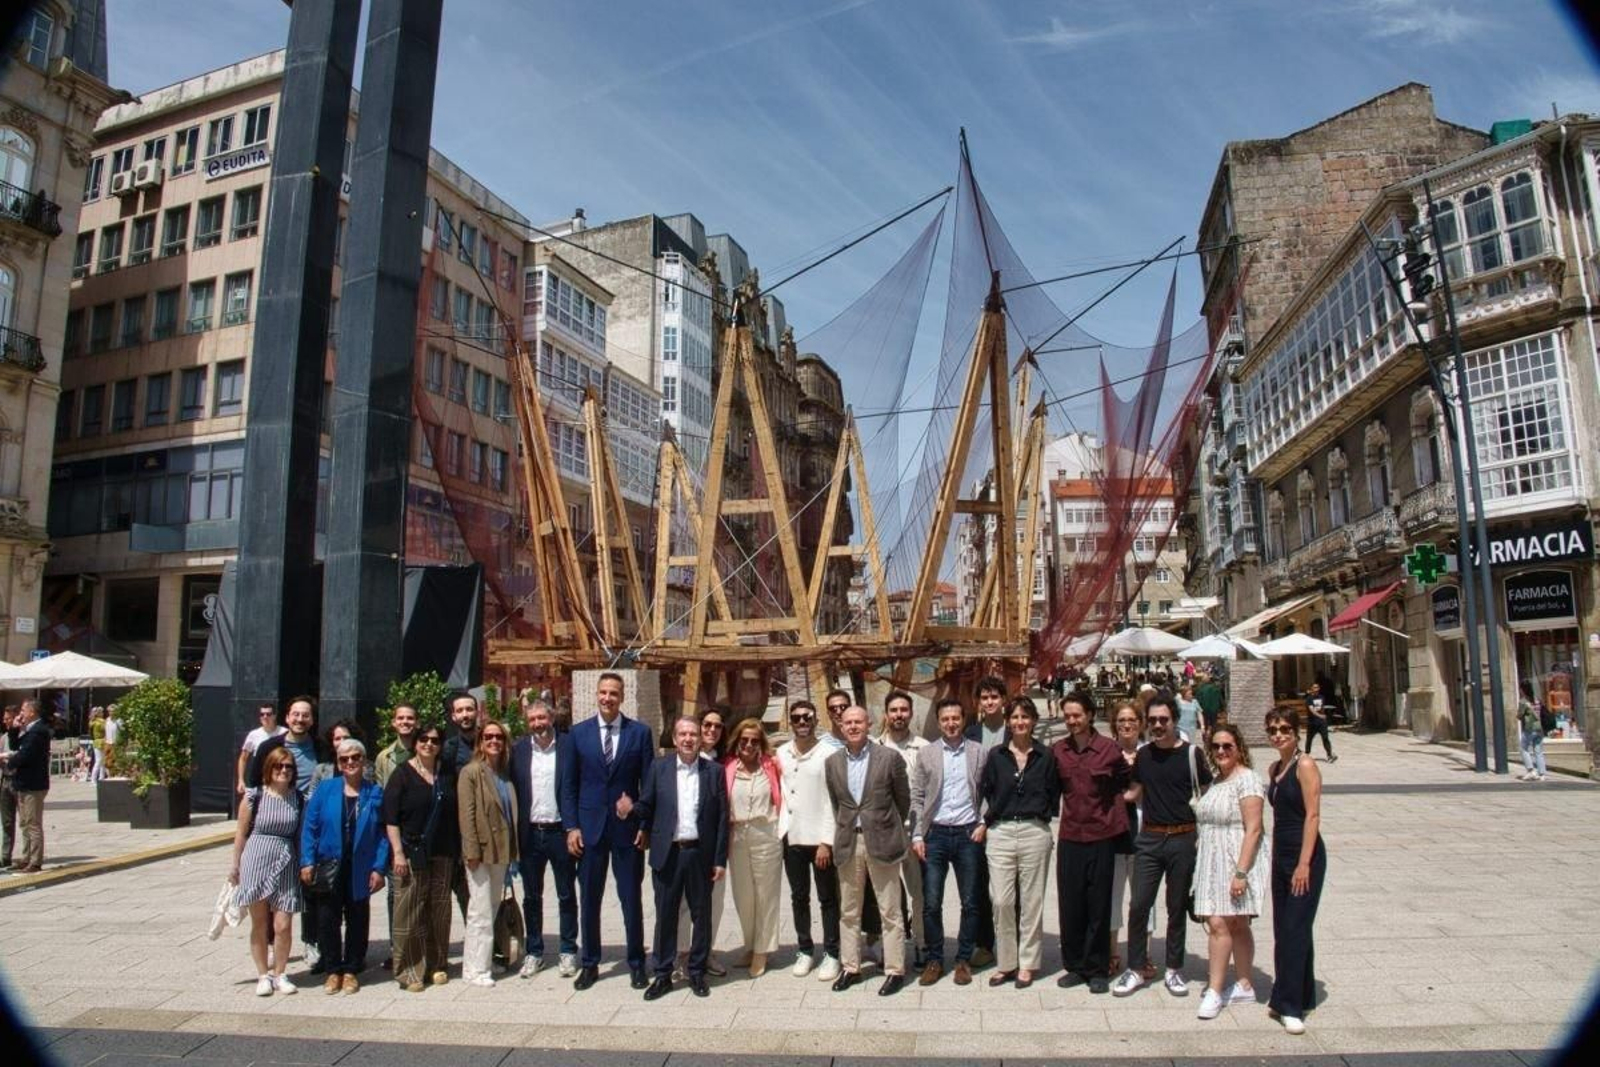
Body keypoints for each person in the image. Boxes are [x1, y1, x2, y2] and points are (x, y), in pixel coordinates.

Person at [1113, 694, 1211, 998]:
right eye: (1152, 720)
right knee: (1139, 904)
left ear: (1174, 719)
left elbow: (1207, 794)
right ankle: (1137, 967)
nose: (1157, 725)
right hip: (1150, 838)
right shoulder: (1144, 756)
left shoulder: (1193, 755)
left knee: (1176, 907)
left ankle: (1173, 969)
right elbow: (1132, 794)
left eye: (1163, 720)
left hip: (1183, 837)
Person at [560, 671, 653, 991]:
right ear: (596, 695)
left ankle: (637, 963)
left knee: (631, 899)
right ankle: (590, 963)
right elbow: (568, 786)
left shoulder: (639, 734)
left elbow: (648, 786)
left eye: (614, 693)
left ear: (622, 697)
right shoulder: (578, 734)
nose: (607, 698)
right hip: (589, 830)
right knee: (590, 899)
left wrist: (644, 824)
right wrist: (571, 826)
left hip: (627, 831)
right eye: (603, 692)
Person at [637, 716, 728, 999]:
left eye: (692, 734)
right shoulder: (659, 768)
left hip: (700, 853)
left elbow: (723, 818)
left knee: (702, 915)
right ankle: (663, 973)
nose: (688, 739)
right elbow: (647, 805)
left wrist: (719, 859)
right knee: (665, 914)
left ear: (699, 739)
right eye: (682, 734)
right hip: (669, 853)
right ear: (674, 739)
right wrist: (633, 813)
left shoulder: (713, 771)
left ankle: (697, 971)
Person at [825, 705, 911, 996]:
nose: (852, 727)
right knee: (849, 911)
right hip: (850, 842)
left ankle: (895, 970)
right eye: (847, 722)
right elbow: (839, 805)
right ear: (840, 725)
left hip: (882, 840)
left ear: (870, 724)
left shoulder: (889, 758)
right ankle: (851, 967)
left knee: (890, 910)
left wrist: (883, 825)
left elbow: (903, 800)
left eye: (858, 722)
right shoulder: (833, 762)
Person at [977, 696, 1059, 989]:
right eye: (1015, 717)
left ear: (1034, 720)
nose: (1020, 722)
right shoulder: (997, 755)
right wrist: (988, 823)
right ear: (1008, 721)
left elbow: (1054, 793)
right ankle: (1006, 962)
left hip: (1034, 831)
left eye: (1025, 717)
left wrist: (1041, 815)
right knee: (1001, 900)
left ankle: (1027, 963)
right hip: (1000, 832)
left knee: (1032, 900)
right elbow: (987, 790)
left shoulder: (1046, 756)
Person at [1053, 691, 1130, 995]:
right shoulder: (1058, 750)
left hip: (1101, 836)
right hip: (1070, 835)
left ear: (1089, 715)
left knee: (1099, 904)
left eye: (1077, 715)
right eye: (1068, 716)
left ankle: (1098, 968)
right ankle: (1075, 966)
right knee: (1070, 904)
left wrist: (1120, 809)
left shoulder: (1109, 750)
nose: (1072, 721)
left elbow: (1127, 780)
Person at [299, 738, 389, 994]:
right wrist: (307, 860)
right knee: (327, 919)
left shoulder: (374, 792)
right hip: (329, 864)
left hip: (360, 864)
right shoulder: (326, 789)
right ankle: (332, 969)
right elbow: (310, 827)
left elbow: (383, 834)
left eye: (355, 758)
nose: (350, 763)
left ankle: (351, 968)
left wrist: (379, 867)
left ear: (363, 761)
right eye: (344, 759)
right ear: (338, 763)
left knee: (358, 917)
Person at [1193, 724, 1268, 1021]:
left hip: (1236, 859)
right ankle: (1245, 984)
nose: (1221, 751)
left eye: (1228, 746)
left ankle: (1214, 989)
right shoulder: (1216, 781)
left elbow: (1254, 828)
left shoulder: (1247, 780)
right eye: (1216, 747)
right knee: (1232, 924)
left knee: (1222, 923)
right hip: (1212, 860)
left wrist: (1241, 871)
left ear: (1240, 748)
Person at [909, 697, 985, 986]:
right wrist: (917, 834)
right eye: (945, 719)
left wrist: (983, 821)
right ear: (938, 722)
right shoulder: (927, 753)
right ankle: (935, 959)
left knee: (970, 901)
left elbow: (987, 790)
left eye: (955, 718)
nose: (951, 724)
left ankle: (963, 959)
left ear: (963, 719)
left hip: (968, 833)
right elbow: (917, 795)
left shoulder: (978, 752)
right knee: (931, 902)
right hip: (936, 835)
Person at [382, 723, 458, 992]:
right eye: (423, 739)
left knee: (439, 911)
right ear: (415, 743)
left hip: (443, 852)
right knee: (409, 913)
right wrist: (398, 853)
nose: (429, 744)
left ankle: (437, 964)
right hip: (412, 853)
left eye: (435, 741)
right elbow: (390, 818)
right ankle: (409, 971)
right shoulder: (402, 774)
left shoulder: (447, 774)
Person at [1265, 708, 1326, 1036]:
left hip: (1307, 854)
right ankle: (1301, 994)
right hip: (1281, 855)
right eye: (1273, 729)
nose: (1278, 735)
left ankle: (1288, 1006)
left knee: (1295, 927)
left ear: (1297, 731)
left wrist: (1304, 863)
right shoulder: (1275, 767)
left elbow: (1313, 815)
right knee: (1285, 927)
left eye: (1285, 728)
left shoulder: (1305, 764)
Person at [509, 696, 578, 978]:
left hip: (559, 832)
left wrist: (575, 827)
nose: (538, 724)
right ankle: (534, 951)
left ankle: (568, 951)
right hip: (530, 833)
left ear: (551, 718)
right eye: (532, 719)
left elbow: (576, 787)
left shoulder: (568, 746)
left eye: (542, 718)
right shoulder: (519, 750)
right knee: (531, 896)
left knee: (566, 894)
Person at [229, 746, 304, 996]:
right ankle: (263, 974)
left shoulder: (300, 798)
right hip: (257, 856)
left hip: (286, 858)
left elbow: (301, 834)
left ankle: (281, 973)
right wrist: (235, 865)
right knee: (259, 922)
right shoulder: (254, 796)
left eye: (288, 766)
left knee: (283, 924)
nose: (283, 770)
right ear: (269, 769)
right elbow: (240, 833)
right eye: (278, 766)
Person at [777, 699, 842, 982]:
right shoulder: (782, 753)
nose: (802, 722)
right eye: (796, 718)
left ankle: (832, 952)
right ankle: (805, 948)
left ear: (816, 721)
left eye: (807, 717)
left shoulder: (829, 753)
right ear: (790, 722)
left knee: (828, 898)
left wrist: (827, 841)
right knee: (798, 897)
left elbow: (833, 800)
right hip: (792, 837)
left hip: (820, 839)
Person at [457, 721, 517, 987]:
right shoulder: (471, 773)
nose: (494, 741)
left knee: (491, 907)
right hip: (479, 851)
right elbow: (466, 815)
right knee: (479, 909)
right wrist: (470, 850)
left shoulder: (503, 774)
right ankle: (473, 970)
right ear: (480, 742)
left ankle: (482, 960)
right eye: (489, 737)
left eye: (499, 737)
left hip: (500, 850)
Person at [722, 718, 783, 977]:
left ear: (761, 743)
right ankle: (750, 943)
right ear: (737, 741)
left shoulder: (771, 766)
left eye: (754, 741)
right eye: (744, 740)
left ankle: (762, 950)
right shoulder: (728, 767)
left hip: (765, 832)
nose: (748, 745)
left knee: (765, 895)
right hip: (737, 834)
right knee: (743, 895)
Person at [875, 689, 928, 970]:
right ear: (886, 714)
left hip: (914, 832)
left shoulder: (923, 747)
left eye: (903, 710)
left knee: (918, 893)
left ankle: (920, 943)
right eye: (893, 710)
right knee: (889, 896)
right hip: (884, 833)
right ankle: (892, 948)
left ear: (911, 713)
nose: (898, 715)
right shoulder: (875, 747)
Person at [962, 675, 1010, 969]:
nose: (990, 702)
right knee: (978, 885)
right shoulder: (972, 733)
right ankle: (984, 942)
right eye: (984, 698)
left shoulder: (1015, 729)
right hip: (976, 819)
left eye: (994, 697)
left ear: (1003, 699)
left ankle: (1009, 943)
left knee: (1007, 889)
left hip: (1006, 819)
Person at [678, 707, 729, 978]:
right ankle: (685, 952)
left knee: (715, 902)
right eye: (706, 725)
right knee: (687, 903)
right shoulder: (684, 759)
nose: (711, 730)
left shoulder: (726, 762)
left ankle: (705, 950)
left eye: (717, 726)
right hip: (689, 844)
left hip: (716, 845)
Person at [1108, 700, 1148, 979]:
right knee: (1112, 897)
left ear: (1140, 723)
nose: (1126, 724)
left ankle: (1141, 954)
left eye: (1132, 719)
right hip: (1113, 835)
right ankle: (1112, 952)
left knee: (1143, 899)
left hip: (1147, 834)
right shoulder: (1107, 753)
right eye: (1121, 720)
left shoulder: (1150, 754)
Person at [0, 700, 50, 873]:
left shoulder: (38, 731)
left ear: (32, 712)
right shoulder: (29, 730)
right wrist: (14, 729)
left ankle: (35, 861)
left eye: (23, 710)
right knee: (25, 823)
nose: (20, 714)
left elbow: (25, 755)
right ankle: (26, 857)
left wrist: (8, 760)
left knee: (33, 823)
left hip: (33, 784)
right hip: (23, 782)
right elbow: (15, 745)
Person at [237, 704, 285, 797]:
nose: (265, 717)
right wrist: (241, 780)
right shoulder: (254, 734)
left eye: (268, 714)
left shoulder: (284, 732)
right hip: (259, 777)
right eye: (262, 714)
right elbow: (243, 758)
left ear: (274, 716)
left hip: (279, 776)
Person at [374, 704, 420, 787]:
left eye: (410, 718)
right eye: (400, 718)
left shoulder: (427, 754)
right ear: (394, 723)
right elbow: (380, 789)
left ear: (417, 723)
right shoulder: (383, 757)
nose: (405, 721)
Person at [1516, 680, 1548, 782]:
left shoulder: (1523, 701)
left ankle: (1530, 770)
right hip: (1540, 728)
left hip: (1530, 728)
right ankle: (1542, 774)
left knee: (1523, 748)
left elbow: (1519, 715)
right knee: (1538, 751)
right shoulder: (1537, 699)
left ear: (1522, 690)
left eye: (1520, 689)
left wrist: (1520, 715)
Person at [0, 706, 18, 869]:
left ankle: (29, 857)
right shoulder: (4, 738)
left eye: (8, 719)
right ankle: (5, 856)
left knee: (27, 822)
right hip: (5, 780)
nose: (5, 721)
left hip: (20, 781)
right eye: (4, 719)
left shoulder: (23, 735)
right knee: (6, 821)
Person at [1303, 682, 1337, 762]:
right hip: (1312, 723)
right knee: (1309, 739)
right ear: (1311, 689)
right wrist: (1320, 716)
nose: (1316, 689)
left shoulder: (1322, 697)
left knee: (1325, 738)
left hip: (1321, 723)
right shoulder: (1309, 699)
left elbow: (1322, 708)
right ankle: (1306, 754)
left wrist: (1323, 717)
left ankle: (1329, 755)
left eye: (1317, 687)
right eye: (1314, 687)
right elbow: (1311, 710)